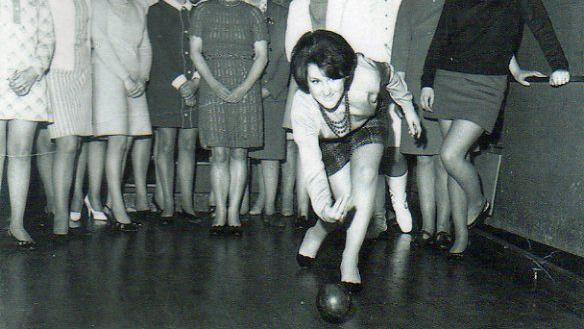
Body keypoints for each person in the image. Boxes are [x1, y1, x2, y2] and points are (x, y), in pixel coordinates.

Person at [420, 0, 570, 257]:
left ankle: (478, 202)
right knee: (456, 161)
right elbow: (442, 34)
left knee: (450, 155)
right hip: (448, 77)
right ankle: (461, 237)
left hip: (486, 85)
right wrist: (427, 81)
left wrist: (559, 65)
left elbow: (541, 25)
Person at [291, 30, 420, 290]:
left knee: (365, 179)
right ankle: (317, 231)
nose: (326, 90)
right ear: (305, 81)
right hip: (331, 139)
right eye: (316, 81)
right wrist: (322, 206)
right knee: (344, 206)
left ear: (347, 73)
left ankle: (349, 260)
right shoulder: (303, 110)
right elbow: (312, 167)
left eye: (332, 78)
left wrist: (408, 108)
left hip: (368, 123)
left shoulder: (367, 75)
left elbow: (391, 75)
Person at [190, 0, 268, 236]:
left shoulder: (253, 13)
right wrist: (213, 84)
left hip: (247, 88)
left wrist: (244, 88)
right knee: (219, 152)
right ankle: (220, 212)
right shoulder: (202, 10)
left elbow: (261, 56)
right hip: (213, 87)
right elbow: (195, 52)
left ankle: (233, 212)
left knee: (239, 152)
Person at [392, 0, 451, 247]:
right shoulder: (410, 3)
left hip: (448, 79)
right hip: (417, 83)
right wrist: (401, 94)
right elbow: (400, 48)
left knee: (445, 159)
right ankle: (427, 225)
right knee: (425, 157)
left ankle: (444, 227)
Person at [33, 0, 93, 237]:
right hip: (55, 66)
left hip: (83, 69)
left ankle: (54, 202)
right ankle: (60, 211)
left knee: (68, 141)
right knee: (65, 142)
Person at [91, 0, 153, 232]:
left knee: (127, 141)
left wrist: (142, 77)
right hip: (109, 76)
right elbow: (101, 43)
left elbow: (145, 46)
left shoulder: (138, 7)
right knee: (117, 140)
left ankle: (109, 201)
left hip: (135, 79)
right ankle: (118, 206)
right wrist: (125, 78)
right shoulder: (101, 5)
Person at [0, 0, 55, 248]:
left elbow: (47, 42)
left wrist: (33, 72)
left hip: (29, 84)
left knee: (21, 152)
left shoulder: (40, 2)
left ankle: (17, 223)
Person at [147, 0, 202, 225]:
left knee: (189, 145)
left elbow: (203, 50)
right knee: (166, 144)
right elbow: (158, 52)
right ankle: (167, 204)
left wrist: (196, 81)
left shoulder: (197, 12)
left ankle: (187, 204)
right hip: (166, 88)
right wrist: (181, 84)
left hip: (194, 88)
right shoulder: (156, 10)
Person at [248, 0, 290, 227]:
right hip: (245, 90)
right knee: (248, 152)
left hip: (273, 93)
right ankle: (255, 200)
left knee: (270, 152)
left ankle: (270, 207)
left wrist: (271, 88)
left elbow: (287, 56)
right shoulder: (242, 8)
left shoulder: (282, 12)